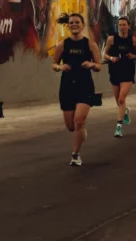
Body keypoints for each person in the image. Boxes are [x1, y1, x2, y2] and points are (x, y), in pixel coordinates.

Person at [52, 13, 102, 166]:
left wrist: (92, 65)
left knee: (79, 121)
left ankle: (75, 154)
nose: (74, 24)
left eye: (77, 22)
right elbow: (54, 64)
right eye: (71, 22)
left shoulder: (90, 44)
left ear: (82, 25)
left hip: (84, 85)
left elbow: (99, 65)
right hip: (67, 86)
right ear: (68, 25)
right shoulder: (62, 45)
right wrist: (61, 67)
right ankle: (80, 133)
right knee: (71, 126)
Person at [103, 16, 136, 138]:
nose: (122, 27)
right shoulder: (111, 39)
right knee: (119, 101)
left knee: (121, 99)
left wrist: (133, 57)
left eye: (124, 24)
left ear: (128, 26)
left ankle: (118, 127)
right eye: (120, 25)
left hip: (128, 71)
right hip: (115, 70)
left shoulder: (133, 40)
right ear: (117, 26)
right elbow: (105, 54)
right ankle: (125, 110)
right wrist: (111, 58)